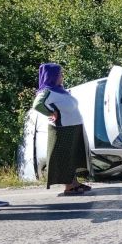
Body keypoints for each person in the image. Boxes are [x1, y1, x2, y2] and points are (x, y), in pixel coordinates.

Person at [32, 63, 90, 195]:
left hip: (73, 127)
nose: (62, 77)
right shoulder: (47, 91)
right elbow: (37, 104)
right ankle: (69, 186)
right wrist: (50, 113)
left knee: (72, 156)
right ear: (51, 76)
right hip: (62, 129)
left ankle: (74, 182)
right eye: (59, 74)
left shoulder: (59, 89)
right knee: (65, 157)